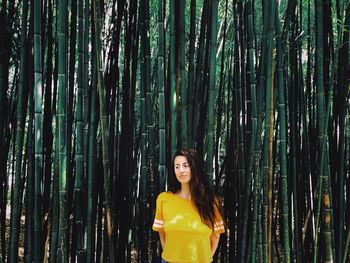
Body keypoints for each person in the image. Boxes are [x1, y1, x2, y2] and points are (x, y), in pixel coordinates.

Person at [153, 149, 225, 263]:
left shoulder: (210, 201)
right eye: (177, 166)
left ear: (194, 167)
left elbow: (216, 236)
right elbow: (161, 232)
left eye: (185, 165)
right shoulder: (164, 199)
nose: (181, 170)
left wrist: (204, 258)